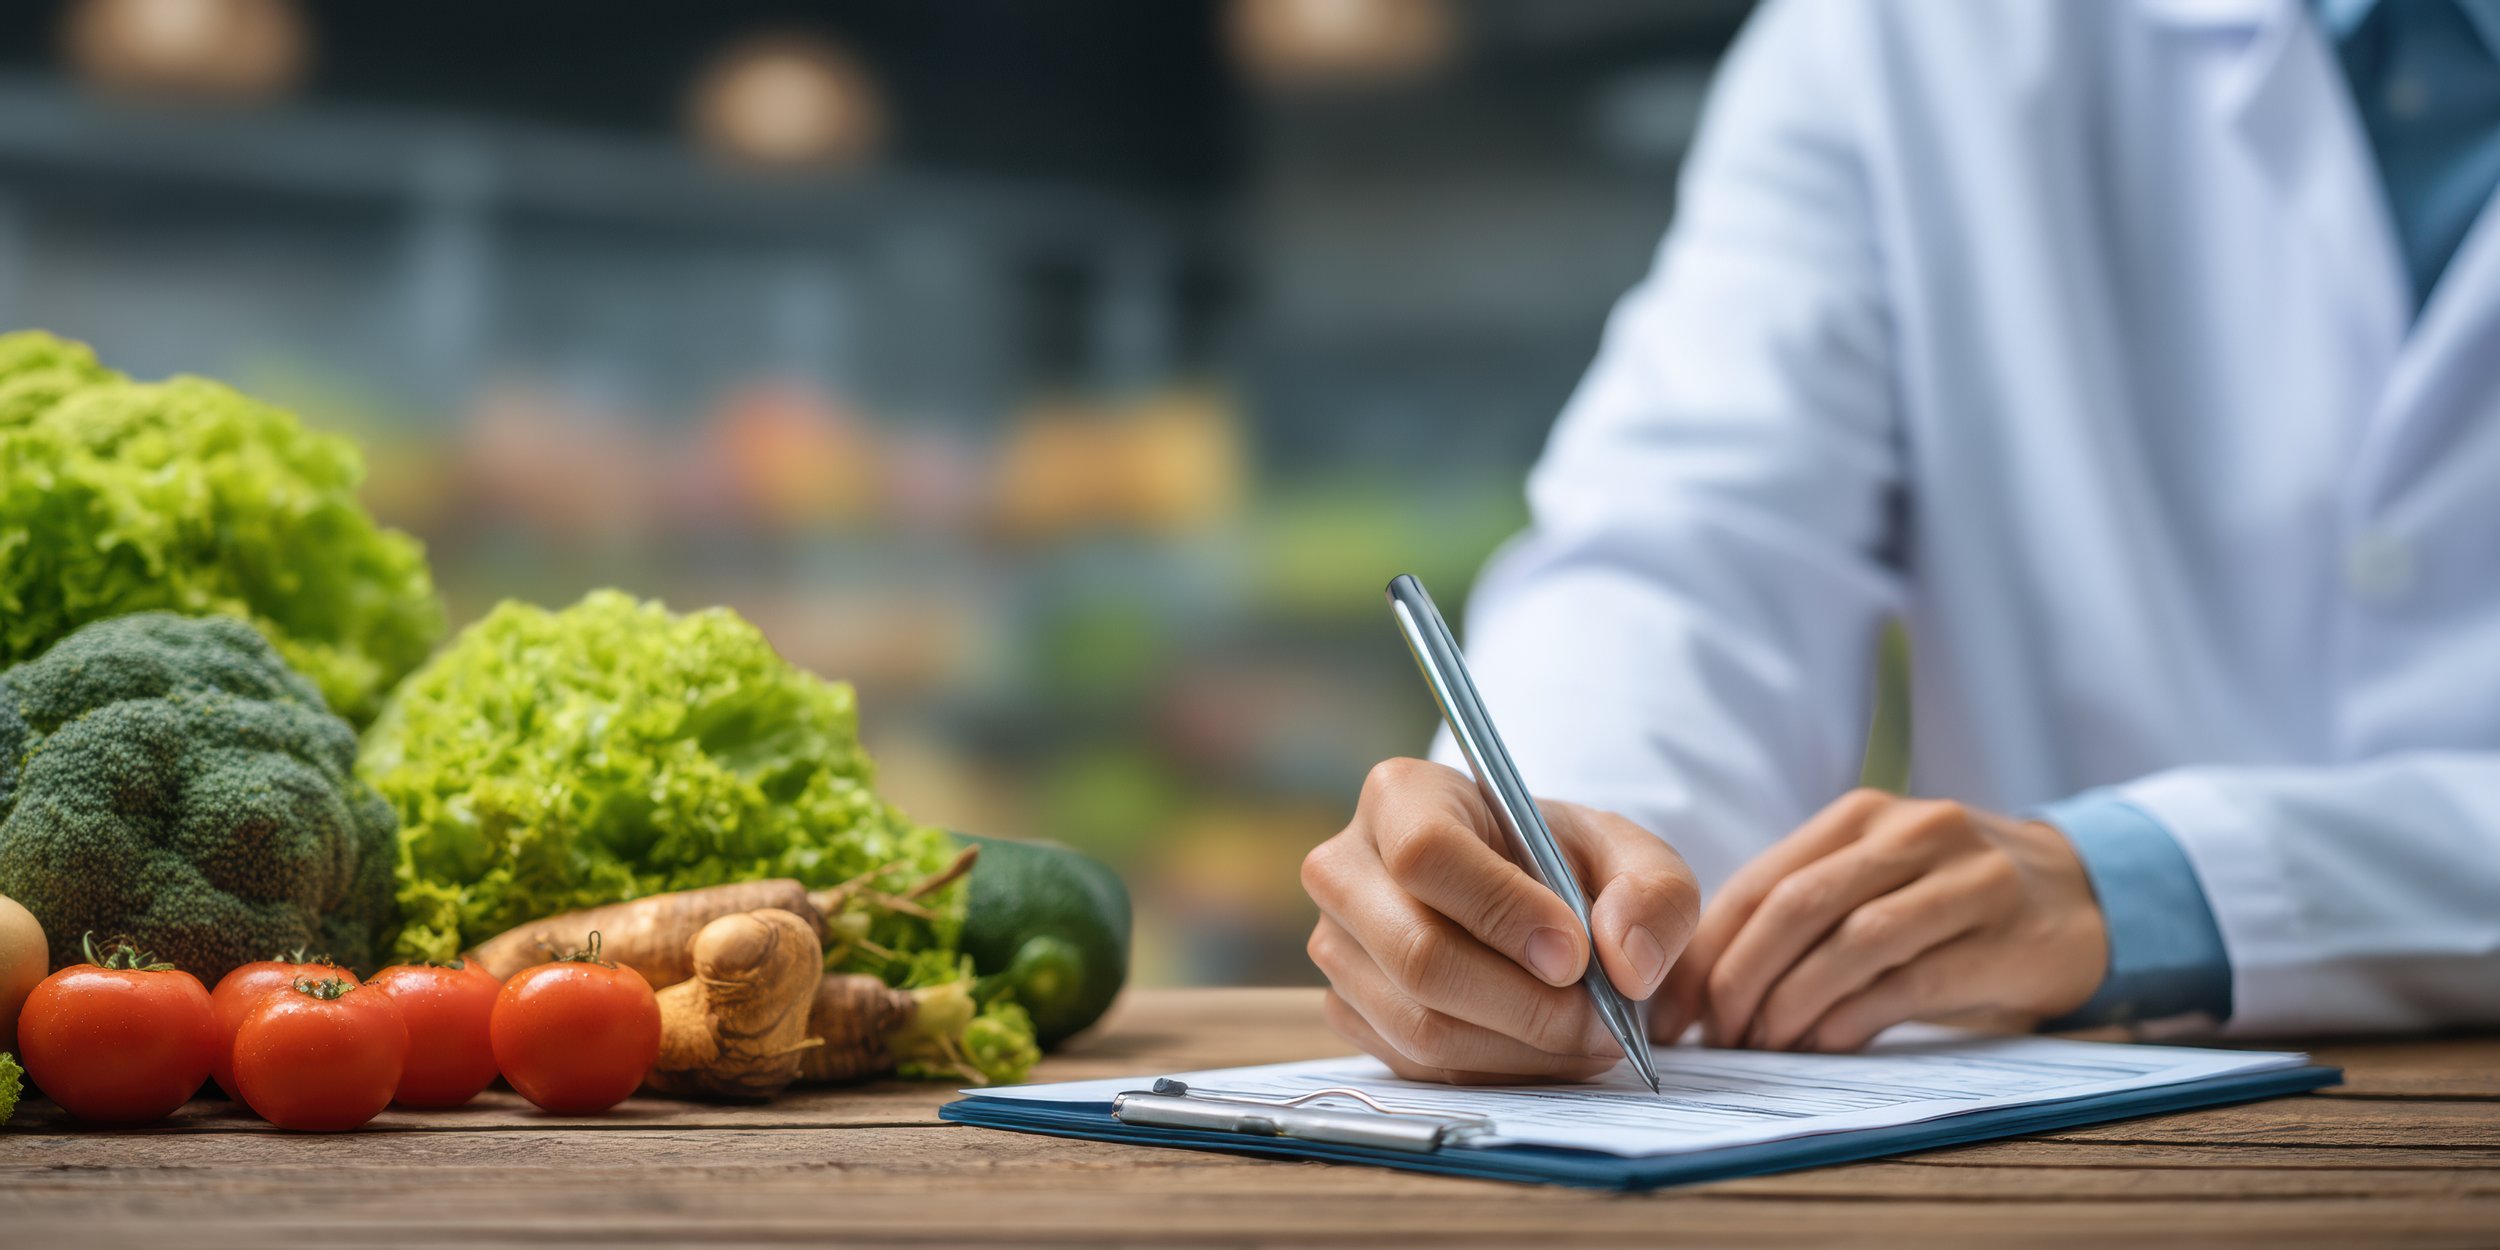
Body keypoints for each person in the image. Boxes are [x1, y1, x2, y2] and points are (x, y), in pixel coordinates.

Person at [1300, 0, 2500, 1085]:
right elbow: (1697, 546)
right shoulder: (1904, 32)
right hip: (2062, 1160)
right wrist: (1558, 857)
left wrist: (2148, 886)